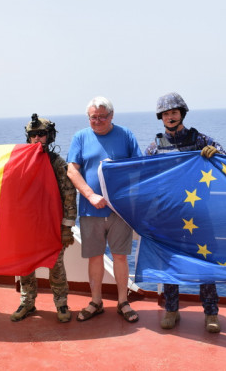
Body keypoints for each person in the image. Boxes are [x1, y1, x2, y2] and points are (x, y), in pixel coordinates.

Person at [145, 92, 225, 333]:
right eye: (166, 114)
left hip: (199, 212)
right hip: (168, 216)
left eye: (174, 112)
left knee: (205, 263)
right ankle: (171, 309)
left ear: (182, 114)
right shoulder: (154, 147)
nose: (170, 117)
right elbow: (144, 178)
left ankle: (211, 313)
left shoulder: (201, 140)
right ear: (160, 117)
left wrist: (215, 153)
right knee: (170, 263)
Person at [67, 97, 142, 323]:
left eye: (102, 117)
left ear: (111, 116)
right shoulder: (80, 137)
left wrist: (117, 169)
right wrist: (90, 195)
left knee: (120, 257)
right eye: (93, 117)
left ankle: (123, 302)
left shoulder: (125, 135)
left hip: (119, 210)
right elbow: (72, 170)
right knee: (95, 257)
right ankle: (96, 302)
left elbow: (139, 166)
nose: (97, 121)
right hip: (91, 210)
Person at [10, 114, 77, 323]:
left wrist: (67, 227)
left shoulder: (57, 163)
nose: (37, 138)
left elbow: (69, 195)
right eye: (33, 135)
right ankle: (27, 302)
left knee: (56, 267)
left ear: (50, 136)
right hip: (27, 225)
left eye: (41, 134)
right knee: (25, 266)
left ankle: (61, 303)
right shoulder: (20, 161)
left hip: (52, 226)